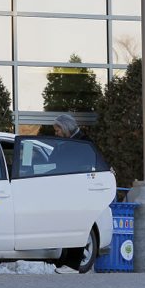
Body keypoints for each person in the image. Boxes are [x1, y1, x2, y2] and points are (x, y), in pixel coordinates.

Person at [52, 114, 89, 275]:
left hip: (79, 191)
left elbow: (80, 165)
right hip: (67, 190)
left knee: (76, 226)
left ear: (66, 128)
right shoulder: (65, 143)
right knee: (68, 226)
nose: (56, 133)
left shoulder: (82, 143)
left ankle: (73, 264)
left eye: (58, 129)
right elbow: (52, 161)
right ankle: (66, 262)